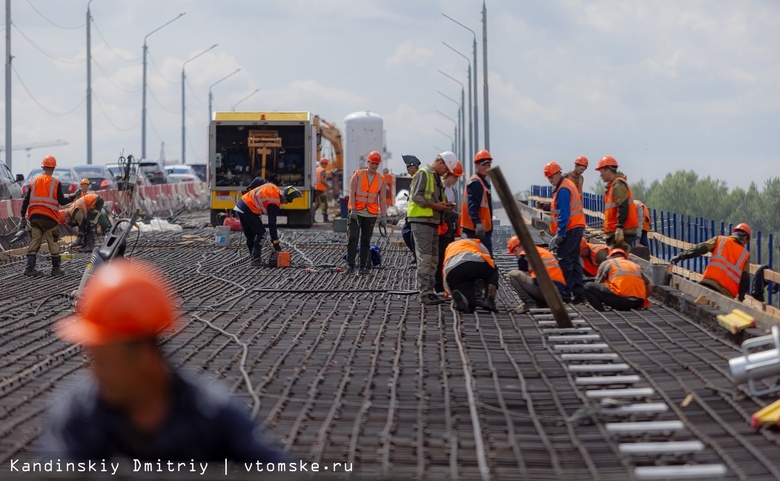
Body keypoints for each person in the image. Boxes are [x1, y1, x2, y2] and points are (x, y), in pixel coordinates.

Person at [43, 260, 286, 462]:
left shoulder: (212, 417)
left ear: (146, 357)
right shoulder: (77, 418)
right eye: (92, 359)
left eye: (104, 362)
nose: (95, 373)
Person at [407, 151, 457, 305]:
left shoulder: (435, 177)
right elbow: (416, 196)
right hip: (422, 220)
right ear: (441, 163)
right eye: (446, 170)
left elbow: (433, 199)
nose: (445, 174)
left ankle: (430, 290)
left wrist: (445, 206)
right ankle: (425, 292)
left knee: (434, 259)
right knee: (426, 258)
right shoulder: (424, 174)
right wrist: (436, 206)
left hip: (433, 221)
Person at [670, 223, 751, 300]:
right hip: (727, 294)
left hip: (708, 284)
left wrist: (681, 256)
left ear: (734, 233)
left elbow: (701, 248)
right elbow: (745, 279)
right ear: (745, 239)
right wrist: (741, 298)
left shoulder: (720, 240)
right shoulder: (745, 255)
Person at [20, 155, 71, 277]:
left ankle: (29, 268)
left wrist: (22, 216)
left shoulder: (33, 181)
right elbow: (62, 201)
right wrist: (74, 196)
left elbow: (26, 200)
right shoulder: (56, 183)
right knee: (52, 241)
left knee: (35, 240)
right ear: (53, 169)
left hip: (35, 217)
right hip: (49, 219)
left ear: (43, 167)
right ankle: (55, 269)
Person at [543, 161, 586, 303]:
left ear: (558, 173)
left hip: (570, 229)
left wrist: (560, 234)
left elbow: (564, 214)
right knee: (574, 260)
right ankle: (579, 293)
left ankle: (565, 293)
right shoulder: (565, 186)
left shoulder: (563, 189)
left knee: (565, 261)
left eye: (552, 177)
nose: (551, 180)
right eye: (548, 178)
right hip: (576, 227)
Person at [234, 183, 302, 267]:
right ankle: (255, 259)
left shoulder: (274, 188)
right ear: (285, 197)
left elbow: (259, 181)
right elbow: (272, 224)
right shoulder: (274, 202)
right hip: (248, 208)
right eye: (289, 201)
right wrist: (276, 243)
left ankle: (254, 258)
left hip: (241, 205)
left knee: (251, 235)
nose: (287, 203)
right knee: (261, 233)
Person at [346, 150, 387, 275]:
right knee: (352, 238)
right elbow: (351, 193)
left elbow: (383, 198)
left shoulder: (381, 179)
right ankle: (350, 265)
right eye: (372, 163)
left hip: (370, 214)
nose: (374, 166)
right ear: (368, 162)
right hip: (356, 212)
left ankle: (363, 267)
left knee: (365, 240)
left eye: (377, 164)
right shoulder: (358, 175)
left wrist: (383, 216)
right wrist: (353, 209)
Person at [507, 236, 566, 313]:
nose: (515, 254)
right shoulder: (541, 251)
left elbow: (524, 281)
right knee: (532, 278)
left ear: (521, 246)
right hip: (558, 294)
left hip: (547, 291)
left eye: (515, 250)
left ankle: (529, 302)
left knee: (513, 274)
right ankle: (541, 303)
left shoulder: (524, 255)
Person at [584, 248, 652, 311]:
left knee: (588, 286)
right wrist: (643, 299)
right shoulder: (634, 265)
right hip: (637, 303)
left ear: (609, 257)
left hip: (620, 302)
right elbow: (651, 285)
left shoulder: (608, 262)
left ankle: (601, 311)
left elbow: (598, 283)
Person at [595, 156, 638, 253]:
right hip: (617, 232)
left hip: (621, 233)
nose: (600, 175)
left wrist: (619, 228)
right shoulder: (613, 185)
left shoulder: (618, 185)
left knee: (618, 262)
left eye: (601, 172)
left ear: (608, 170)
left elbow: (623, 207)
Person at [443, 238, 499, 313]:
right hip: (473, 262)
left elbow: (444, 274)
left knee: (471, 306)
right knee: (493, 270)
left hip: (452, 270)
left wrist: (450, 293)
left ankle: (462, 298)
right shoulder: (477, 243)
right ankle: (489, 300)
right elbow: (488, 261)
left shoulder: (449, 247)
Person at [435, 160, 464, 294]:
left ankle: (445, 283)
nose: (456, 180)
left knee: (448, 256)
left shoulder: (453, 190)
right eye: (456, 177)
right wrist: (455, 215)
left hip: (450, 228)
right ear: (449, 174)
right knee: (439, 256)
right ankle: (438, 285)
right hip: (441, 227)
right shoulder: (439, 187)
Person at [460, 149, 495, 256]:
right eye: (483, 165)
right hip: (475, 230)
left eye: (488, 165)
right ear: (476, 165)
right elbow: (472, 206)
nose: (486, 167)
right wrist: (478, 223)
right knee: (484, 260)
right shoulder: (475, 182)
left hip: (481, 230)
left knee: (483, 260)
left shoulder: (482, 182)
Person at [400, 155, 421, 265]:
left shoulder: (418, 178)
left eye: (408, 167)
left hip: (417, 214)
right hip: (411, 213)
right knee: (406, 234)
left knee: (413, 237)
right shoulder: (414, 179)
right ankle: (416, 255)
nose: (407, 169)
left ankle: (418, 258)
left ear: (414, 167)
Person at [313, 158, 329, 222]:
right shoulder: (323, 170)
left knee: (316, 204)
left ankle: (311, 218)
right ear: (325, 164)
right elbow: (322, 180)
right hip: (320, 189)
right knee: (324, 203)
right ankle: (325, 219)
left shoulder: (316, 169)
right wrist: (328, 185)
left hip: (315, 188)